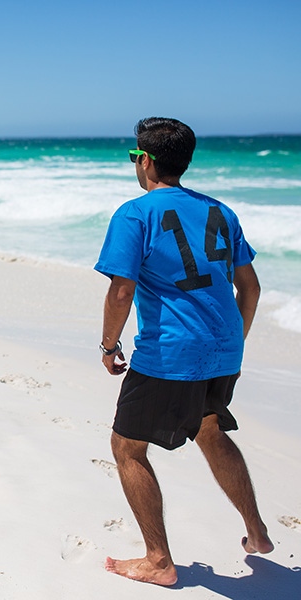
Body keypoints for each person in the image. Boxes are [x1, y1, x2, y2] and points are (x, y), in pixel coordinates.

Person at [94, 117, 273, 586]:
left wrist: (109, 345)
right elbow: (250, 289)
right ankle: (256, 532)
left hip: (171, 352)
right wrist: (233, 343)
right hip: (224, 349)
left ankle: (158, 561)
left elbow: (120, 291)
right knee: (210, 431)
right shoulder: (220, 211)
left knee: (127, 449)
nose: (135, 164)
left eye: (135, 156)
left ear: (146, 160)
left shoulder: (135, 214)